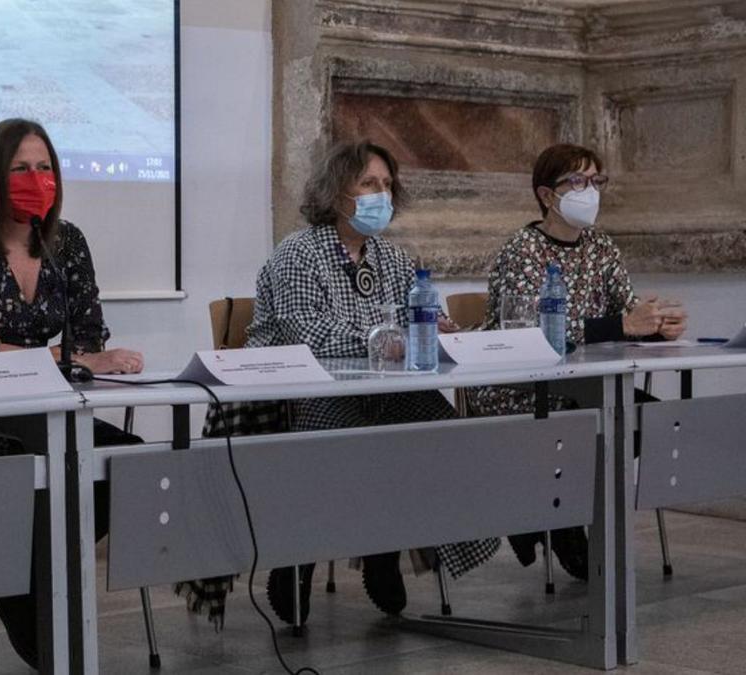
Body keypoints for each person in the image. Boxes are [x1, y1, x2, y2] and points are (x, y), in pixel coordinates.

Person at [0, 117, 143, 669]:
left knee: (128, 463)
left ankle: (31, 584)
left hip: (48, 413)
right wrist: (58, 359)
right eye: (21, 168)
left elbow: (90, 342)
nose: (36, 178)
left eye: (45, 167)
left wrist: (13, 348)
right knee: (27, 486)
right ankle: (43, 622)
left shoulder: (66, 243)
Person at [242, 140, 499, 619]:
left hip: (380, 391)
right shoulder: (299, 252)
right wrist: (386, 341)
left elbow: (419, 315)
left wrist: (432, 327)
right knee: (344, 435)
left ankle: (386, 545)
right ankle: (298, 556)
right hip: (307, 392)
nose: (381, 194)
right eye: (368, 184)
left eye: (386, 185)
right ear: (338, 193)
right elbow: (308, 332)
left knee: (442, 430)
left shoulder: (394, 258)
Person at [471, 143, 687, 580]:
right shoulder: (524, 250)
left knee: (653, 422)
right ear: (547, 196)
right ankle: (555, 515)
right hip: (518, 388)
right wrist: (625, 324)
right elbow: (533, 334)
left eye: (595, 181)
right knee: (592, 427)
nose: (589, 190)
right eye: (577, 181)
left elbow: (627, 312)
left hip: (586, 385)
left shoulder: (600, 246)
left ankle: (547, 510)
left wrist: (659, 321)